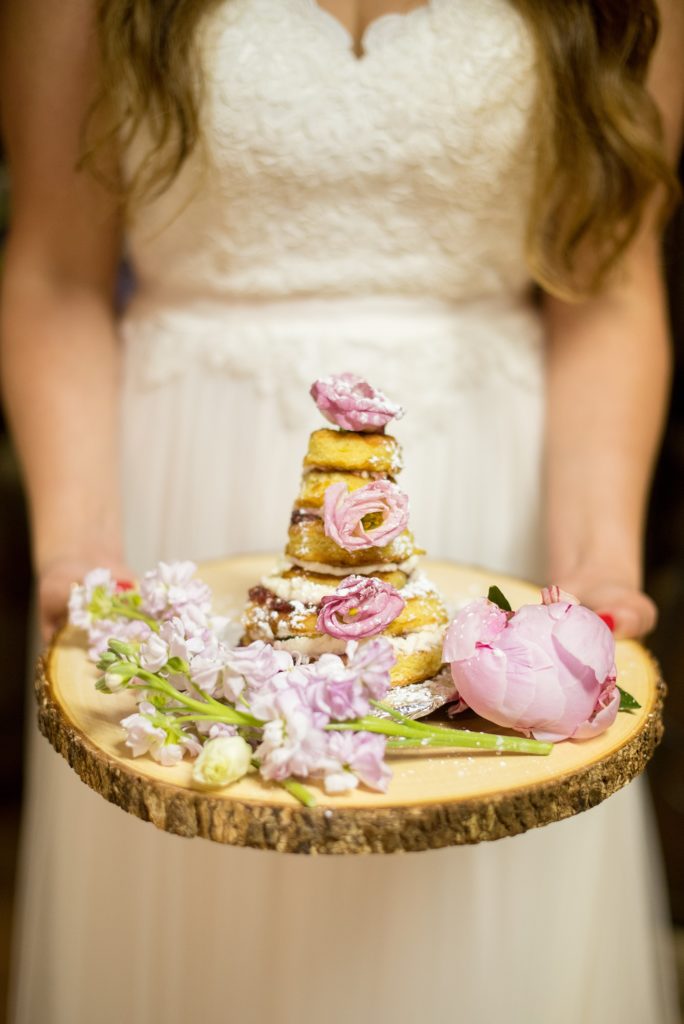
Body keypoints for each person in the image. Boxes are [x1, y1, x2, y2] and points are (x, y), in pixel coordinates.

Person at [1, 1, 682, 1021]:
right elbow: (57, 267)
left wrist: (596, 564)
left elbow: (610, 281)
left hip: (491, 496)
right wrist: (82, 548)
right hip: (178, 496)